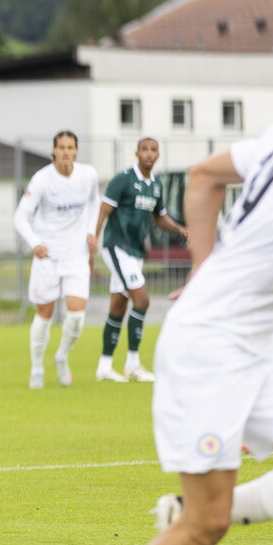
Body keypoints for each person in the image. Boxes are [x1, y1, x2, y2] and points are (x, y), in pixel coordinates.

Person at [82, 37, 273, 545]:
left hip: (248, 347)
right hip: (207, 350)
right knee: (206, 526)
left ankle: (182, 511)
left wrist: (203, 264)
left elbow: (203, 176)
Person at [94, 138, 188, 383]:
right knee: (142, 300)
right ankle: (133, 364)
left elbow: (160, 217)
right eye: (144, 149)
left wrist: (180, 230)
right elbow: (104, 210)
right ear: (136, 153)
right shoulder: (123, 179)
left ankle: (104, 367)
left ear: (158, 155)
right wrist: (93, 238)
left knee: (118, 306)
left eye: (153, 150)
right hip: (116, 246)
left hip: (135, 252)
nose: (149, 154)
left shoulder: (156, 184)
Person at [13, 130, 99, 389]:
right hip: (48, 257)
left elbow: (95, 202)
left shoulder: (88, 175)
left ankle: (61, 357)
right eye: (61, 147)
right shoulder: (42, 179)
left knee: (76, 316)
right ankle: (37, 369)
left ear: (76, 151)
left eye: (70, 147)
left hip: (76, 255)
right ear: (53, 151)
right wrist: (35, 244)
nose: (65, 152)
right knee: (44, 315)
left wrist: (91, 232)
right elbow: (20, 216)